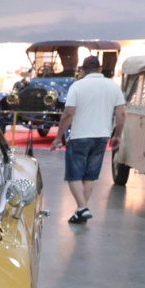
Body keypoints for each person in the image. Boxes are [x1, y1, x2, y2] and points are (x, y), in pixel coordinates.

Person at [51, 55, 125, 224]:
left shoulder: (77, 86)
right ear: (100, 69)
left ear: (83, 70)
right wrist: (117, 135)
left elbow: (68, 113)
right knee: (90, 175)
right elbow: (121, 113)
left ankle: (82, 208)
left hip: (80, 136)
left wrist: (58, 137)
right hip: (102, 136)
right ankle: (81, 210)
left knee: (74, 175)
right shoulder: (113, 86)